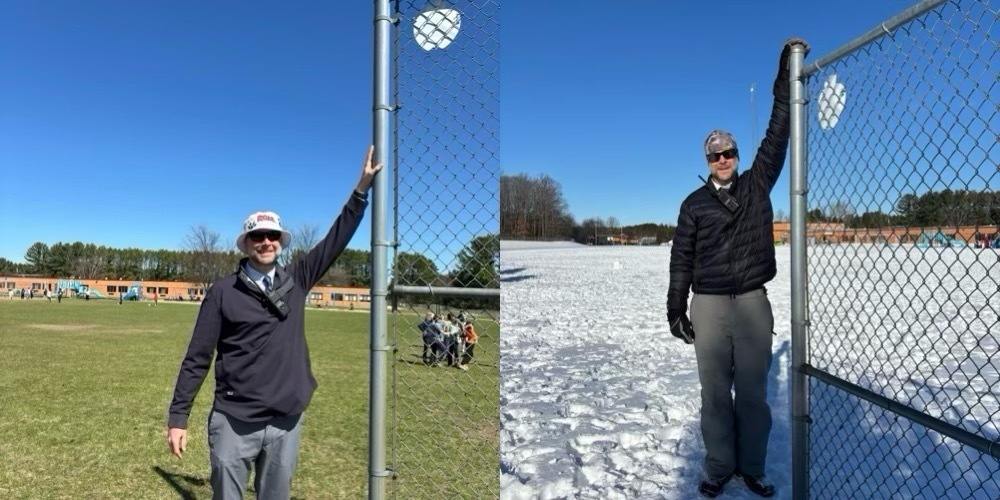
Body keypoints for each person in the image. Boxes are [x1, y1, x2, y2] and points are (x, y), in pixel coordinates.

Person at [166, 146, 381, 499]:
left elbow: (334, 241)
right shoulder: (222, 292)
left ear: (281, 242)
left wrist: (361, 191)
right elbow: (197, 357)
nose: (266, 241)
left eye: (272, 236)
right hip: (234, 420)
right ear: (246, 243)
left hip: (286, 421)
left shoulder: (298, 278)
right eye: (257, 236)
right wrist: (178, 418)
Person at [667, 38, 809, 499]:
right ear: (706, 160)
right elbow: (681, 258)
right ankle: (718, 467)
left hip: (751, 302)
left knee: (751, 395)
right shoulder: (693, 205)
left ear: (738, 156)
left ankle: (752, 468)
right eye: (715, 154)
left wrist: (784, 74)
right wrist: (676, 307)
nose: (723, 159)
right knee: (714, 397)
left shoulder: (757, 184)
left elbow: (779, 131)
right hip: (707, 305)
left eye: (728, 152)